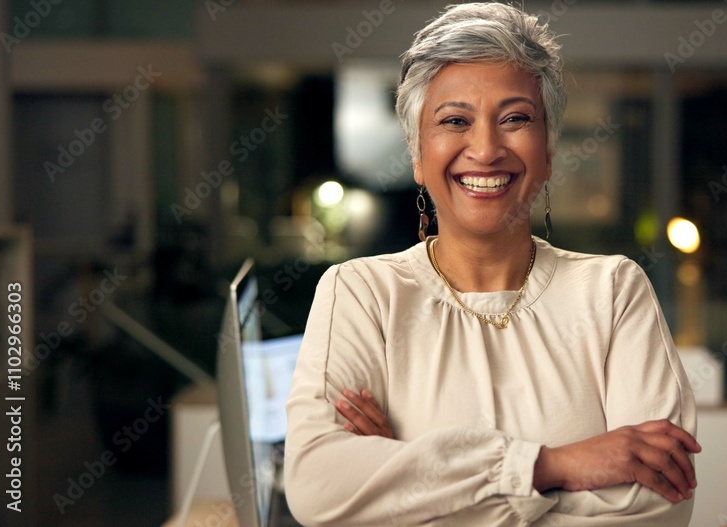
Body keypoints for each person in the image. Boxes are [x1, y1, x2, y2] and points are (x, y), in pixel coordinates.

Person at [285, 4, 699, 525]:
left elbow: (659, 505)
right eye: (455, 120)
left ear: (548, 150)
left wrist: (408, 478)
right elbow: (316, 485)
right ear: (416, 153)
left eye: (516, 119)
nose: (484, 149)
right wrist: (553, 465)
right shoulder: (361, 292)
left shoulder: (613, 291)